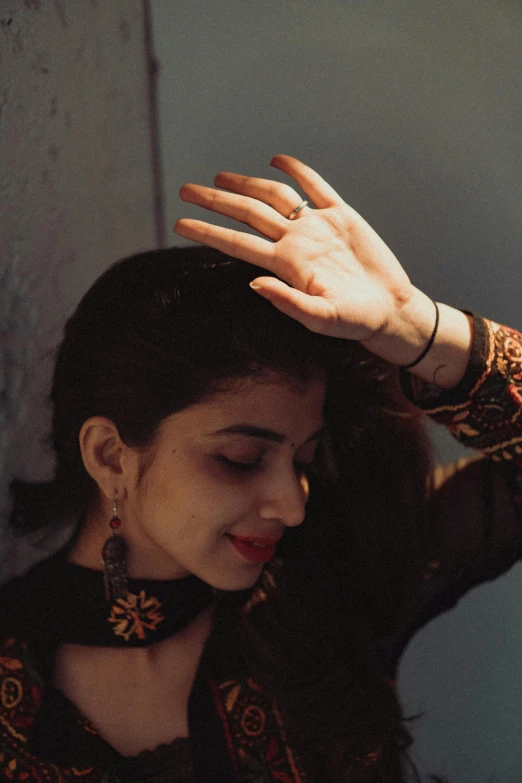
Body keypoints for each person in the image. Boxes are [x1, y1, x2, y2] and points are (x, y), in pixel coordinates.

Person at [0, 155, 521, 783]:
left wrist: (418, 327)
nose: (292, 505)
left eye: (304, 457)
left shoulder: (335, 580)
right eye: (241, 460)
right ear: (110, 455)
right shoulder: (15, 678)